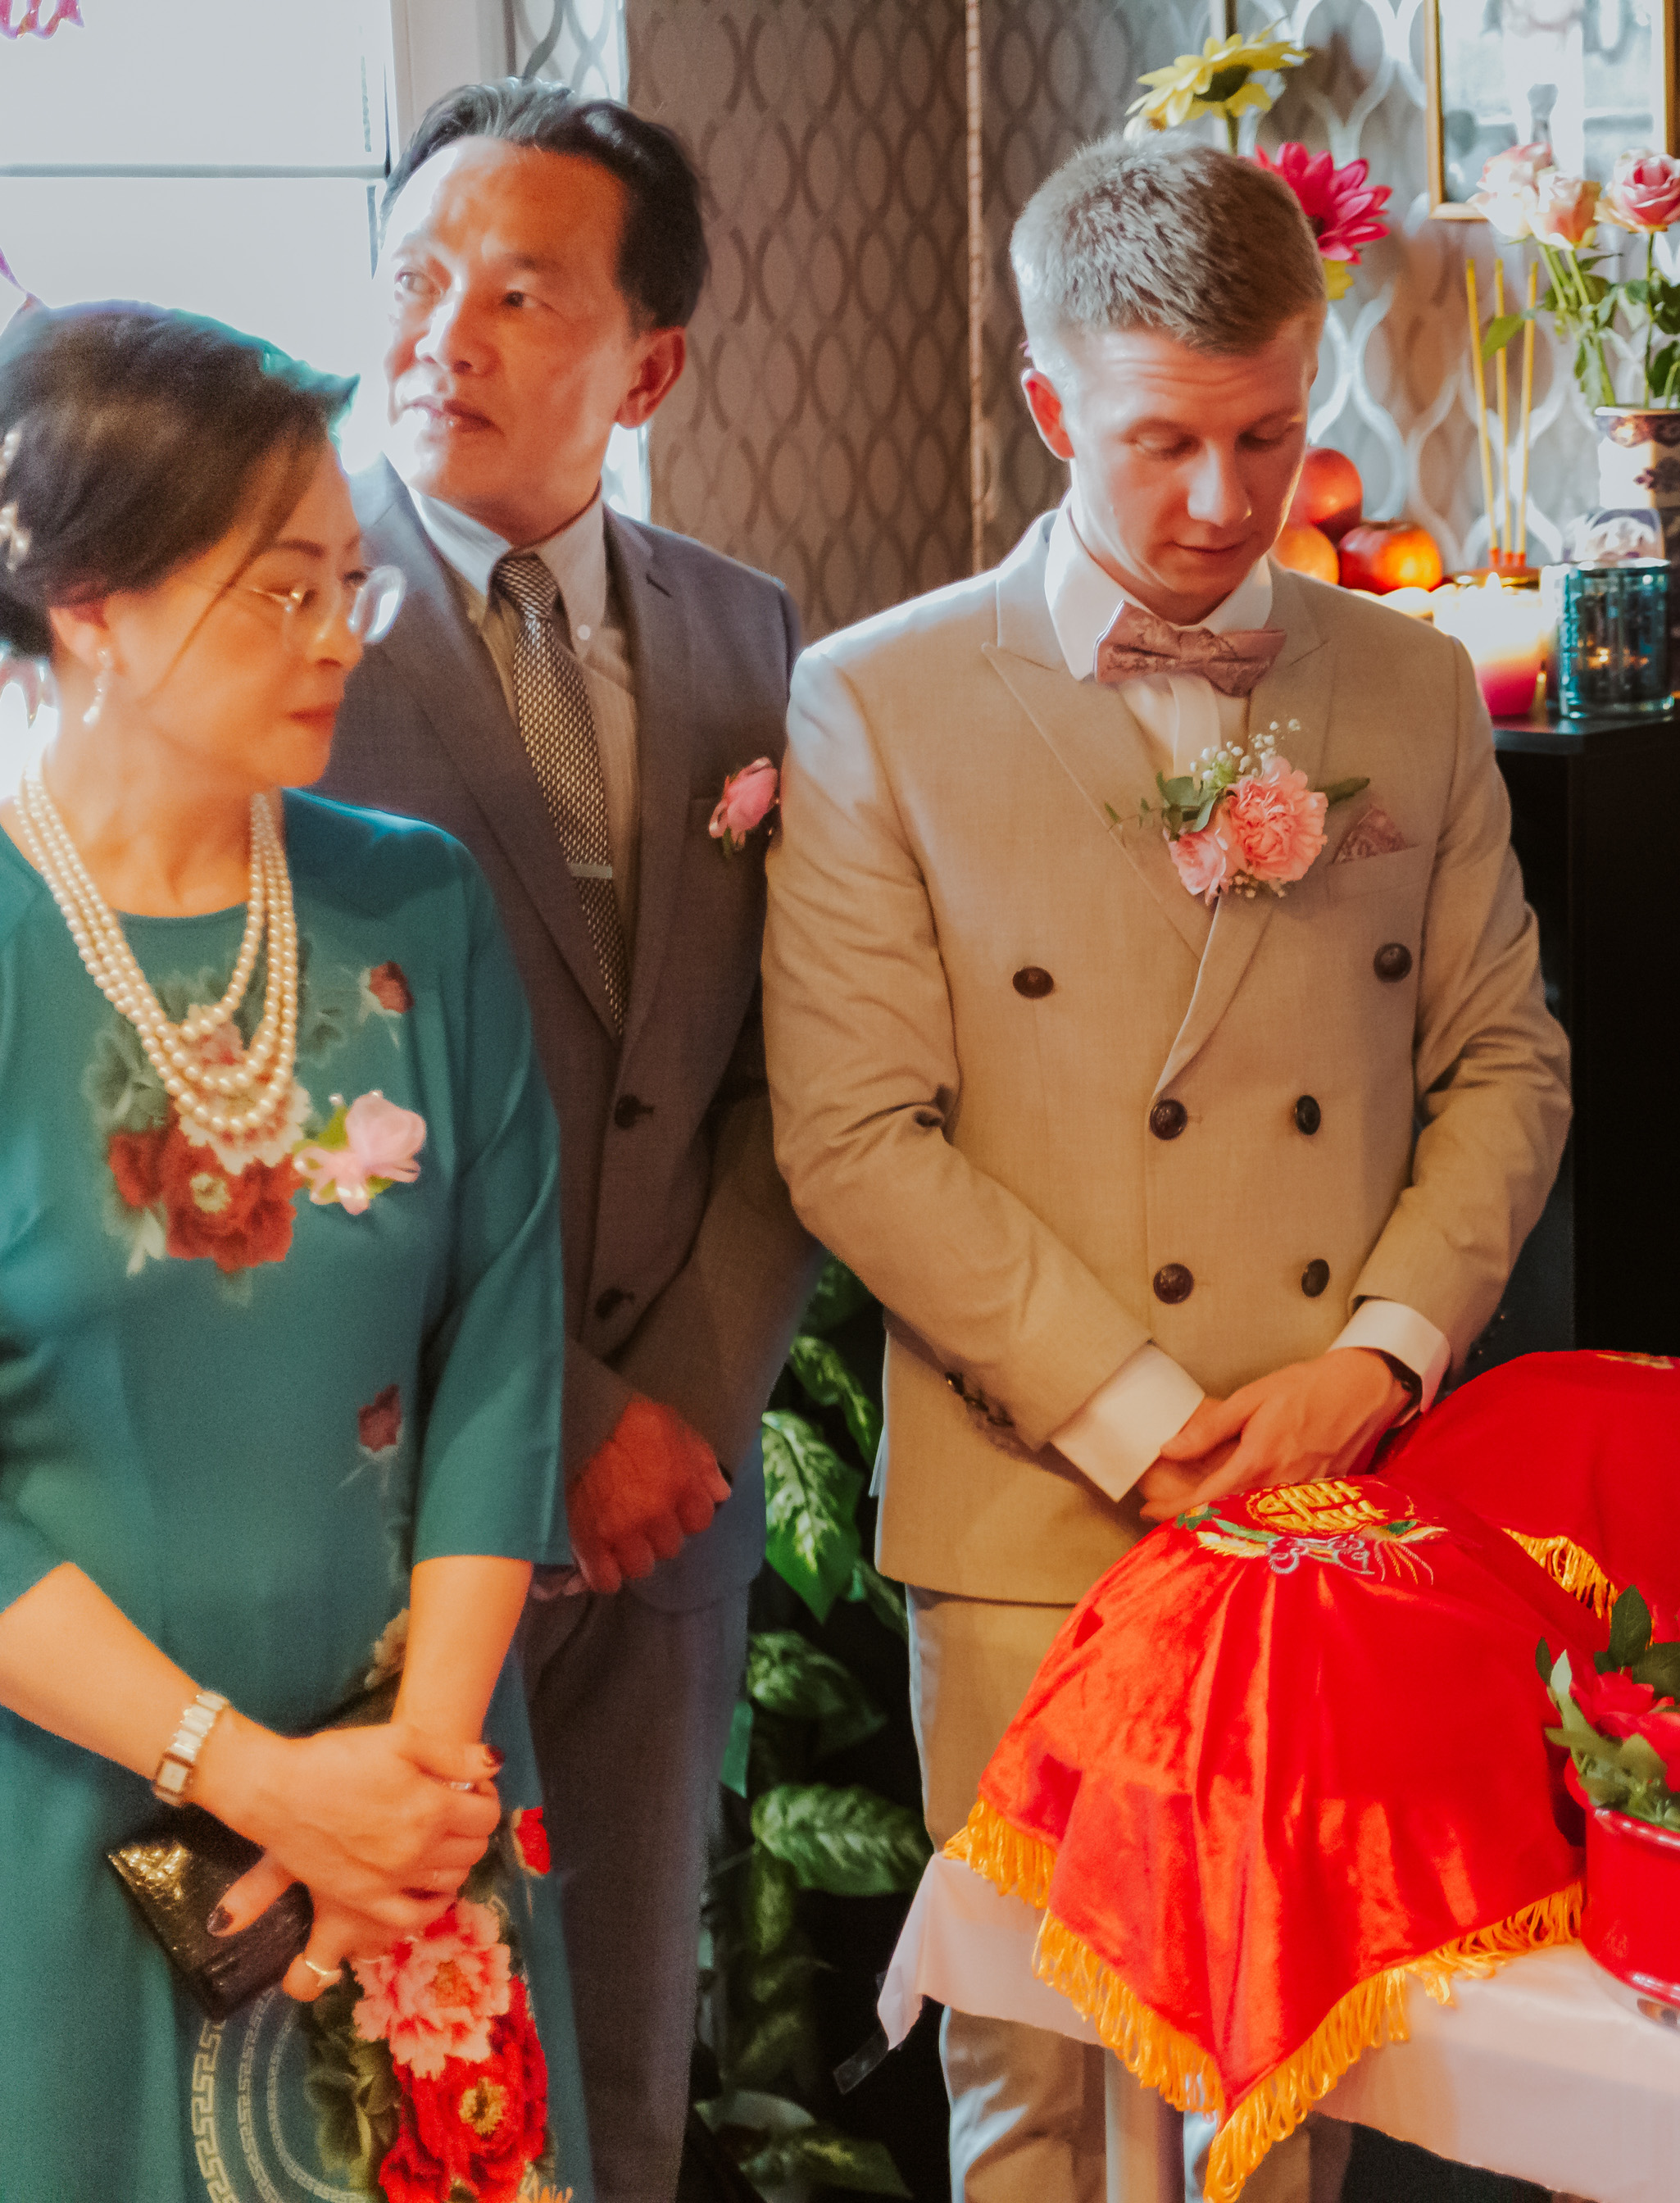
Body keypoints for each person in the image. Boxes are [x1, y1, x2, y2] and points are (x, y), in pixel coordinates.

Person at [764, 136, 1569, 2202]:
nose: (1224, 500)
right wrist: (1136, 1414)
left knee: (1293, 2073)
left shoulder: (1409, 682)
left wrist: (1372, 1364)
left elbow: (1505, 1059)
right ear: (1052, 408)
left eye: (1270, 436)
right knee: (1034, 2083)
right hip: (1030, 1501)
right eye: (1164, 443)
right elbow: (855, 1131)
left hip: (1331, 1490)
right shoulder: (878, 700)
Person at [0, 305, 590, 2200]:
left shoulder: (411, 900)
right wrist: (256, 1783)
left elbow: (502, 1349)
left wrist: (408, 1788)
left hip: (418, 1802)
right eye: (281, 591)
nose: (340, 635)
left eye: (352, 585)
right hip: (68, 1806)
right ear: (91, 603)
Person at [315, 79, 815, 2203]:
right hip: (391, 1475)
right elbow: (287, 1094)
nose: (447, 334)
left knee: (627, 2061)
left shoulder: (747, 634)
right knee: (382, 2088)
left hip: (669, 1508)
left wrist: (678, 1406)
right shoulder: (286, 621)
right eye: (418, 278)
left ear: (651, 365)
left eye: (520, 293)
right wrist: (570, 1421)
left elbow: (794, 1066)